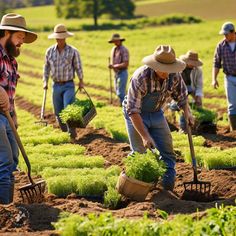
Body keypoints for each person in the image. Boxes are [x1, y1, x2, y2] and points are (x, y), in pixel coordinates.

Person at [122, 45, 194, 191]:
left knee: (168, 152)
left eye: (170, 69)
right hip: (136, 115)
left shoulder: (174, 75)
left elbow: (181, 97)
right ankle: (131, 189)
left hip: (156, 113)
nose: (167, 73)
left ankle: (167, 190)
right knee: (139, 153)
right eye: (164, 69)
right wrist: (145, 136)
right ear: (155, 66)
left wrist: (187, 112)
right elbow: (133, 111)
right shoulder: (140, 78)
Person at [0, 13, 37, 204]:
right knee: (4, 162)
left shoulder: (12, 62)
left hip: (6, 117)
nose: (22, 41)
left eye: (23, 38)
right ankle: (4, 208)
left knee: (13, 160)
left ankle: (9, 206)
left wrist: (13, 115)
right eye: (20, 37)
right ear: (7, 32)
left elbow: (10, 94)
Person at [43, 24, 84, 143]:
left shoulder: (73, 51)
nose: (59, 40)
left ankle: (72, 134)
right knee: (58, 112)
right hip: (56, 85)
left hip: (68, 84)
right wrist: (45, 81)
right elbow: (46, 68)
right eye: (57, 38)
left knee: (68, 109)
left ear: (65, 38)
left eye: (61, 37)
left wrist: (81, 81)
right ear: (55, 38)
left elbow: (78, 67)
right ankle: (64, 133)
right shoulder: (50, 51)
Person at [169, 50, 203, 132]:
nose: (193, 65)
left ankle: (197, 125)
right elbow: (176, 85)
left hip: (191, 88)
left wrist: (198, 96)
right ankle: (183, 127)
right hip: (180, 88)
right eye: (191, 62)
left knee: (199, 103)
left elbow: (199, 85)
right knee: (184, 105)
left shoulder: (198, 70)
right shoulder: (179, 68)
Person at [212, 22, 236, 131]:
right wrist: (214, 79)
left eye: (226, 34)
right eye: (224, 35)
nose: (225, 36)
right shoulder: (221, 46)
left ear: (233, 32)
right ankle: (234, 130)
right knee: (232, 105)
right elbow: (216, 63)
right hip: (229, 78)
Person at [108, 33, 129, 105]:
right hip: (116, 73)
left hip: (122, 72)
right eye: (114, 41)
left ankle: (125, 106)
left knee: (121, 92)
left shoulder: (124, 50)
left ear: (120, 41)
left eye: (116, 41)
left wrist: (114, 66)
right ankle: (122, 104)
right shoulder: (114, 49)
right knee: (117, 91)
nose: (115, 42)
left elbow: (125, 64)